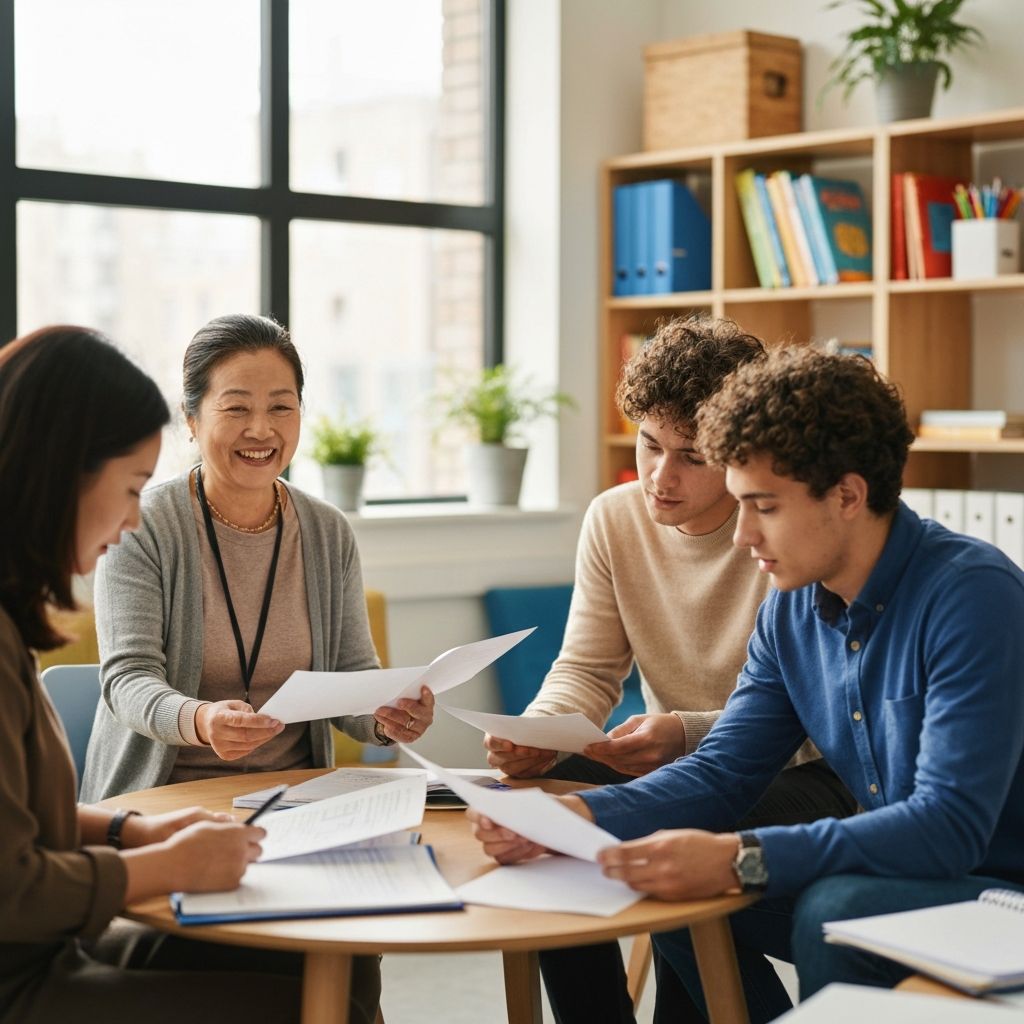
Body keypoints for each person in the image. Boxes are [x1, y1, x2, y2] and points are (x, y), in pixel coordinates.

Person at [471, 346, 1024, 1022]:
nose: (742, 536)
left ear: (848, 496)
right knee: (668, 878)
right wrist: (575, 818)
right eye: (739, 504)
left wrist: (739, 858)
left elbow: (948, 828)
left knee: (832, 908)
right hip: (903, 870)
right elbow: (722, 771)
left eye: (763, 506)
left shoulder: (972, 595)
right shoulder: (791, 609)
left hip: (997, 888)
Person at [0, 325, 380, 1023]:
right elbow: (14, 888)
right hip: (30, 973)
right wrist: (164, 860)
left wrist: (137, 836)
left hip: (66, 930)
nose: (130, 519)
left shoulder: (325, 531)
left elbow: (25, 827)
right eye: (129, 487)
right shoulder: (150, 533)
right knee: (321, 1008)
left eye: (282, 405)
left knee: (341, 964)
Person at [483, 317, 856, 1023]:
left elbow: (823, 715)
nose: (661, 475)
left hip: (807, 772)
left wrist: (685, 733)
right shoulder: (614, 518)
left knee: (661, 837)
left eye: (691, 456)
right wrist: (538, 732)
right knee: (541, 808)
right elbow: (587, 667)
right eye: (650, 445)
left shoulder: (782, 530)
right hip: (682, 764)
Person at [81, 313, 434, 803]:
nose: (261, 429)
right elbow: (128, 679)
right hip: (169, 797)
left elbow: (352, 675)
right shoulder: (143, 524)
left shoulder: (327, 530)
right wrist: (200, 719)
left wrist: (385, 715)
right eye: (236, 408)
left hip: (297, 797)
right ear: (191, 419)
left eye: (281, 407)